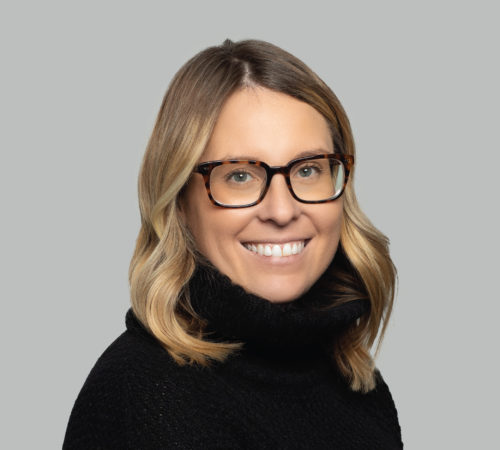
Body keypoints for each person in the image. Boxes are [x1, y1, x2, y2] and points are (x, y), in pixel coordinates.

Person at [63, 39, 403, 449]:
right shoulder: (142, 397)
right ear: (179, 202)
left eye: (309, 169)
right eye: (240, 175)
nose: (282, 210)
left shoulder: (354, 382)